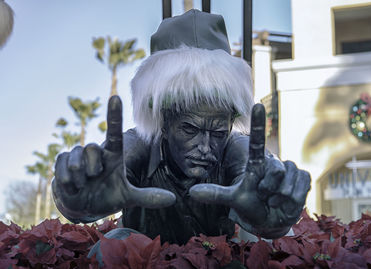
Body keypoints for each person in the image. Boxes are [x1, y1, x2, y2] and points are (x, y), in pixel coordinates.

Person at [52, 9, 311, 245]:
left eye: (218, 133)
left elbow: (252, 170)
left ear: (231, 125)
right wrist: (75, 200)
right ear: (164, 122)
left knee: (263, 243)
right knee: (118, 242)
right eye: (189, 129)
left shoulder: (237, 150)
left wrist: (273, 221)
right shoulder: (137, 147)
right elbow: (98, 175)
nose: (205, 147)